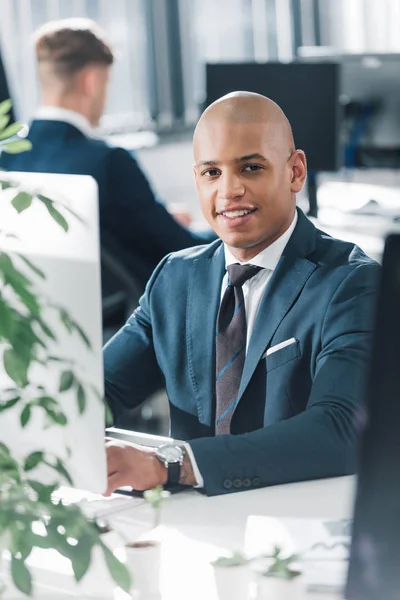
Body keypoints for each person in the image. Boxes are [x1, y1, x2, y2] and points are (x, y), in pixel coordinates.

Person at [104, 91, 380, 497]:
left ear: (295, 172)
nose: (229, 190)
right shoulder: (175, 278)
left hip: (295, 525)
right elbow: (99, 389)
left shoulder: (351, 285)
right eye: (211, 172)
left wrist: (172, 465)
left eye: (250, 167)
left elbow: (340, 428)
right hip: (193, 524)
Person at [0, 19, 215, 289]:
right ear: (91, 81)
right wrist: (225, 230)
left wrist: (161, 218)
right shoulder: (109, 161)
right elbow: (183, 250)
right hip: (135, 314)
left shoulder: (8, 155)